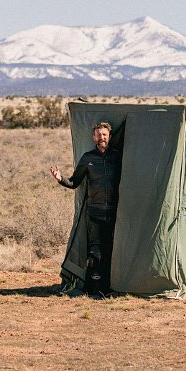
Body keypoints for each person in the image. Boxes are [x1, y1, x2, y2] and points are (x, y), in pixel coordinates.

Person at [49, 121, 122, 295]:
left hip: (115, 213)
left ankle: (108, 287)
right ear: (93, 137)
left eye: (104, 134)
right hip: (94, 213)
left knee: (112, 249)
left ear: (109, 136)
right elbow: (75, 182)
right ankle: (95, 289)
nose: (101, 137)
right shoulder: (88, 158)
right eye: (98, 134)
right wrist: (60, 179)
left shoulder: (117, 157)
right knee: (95, 251)